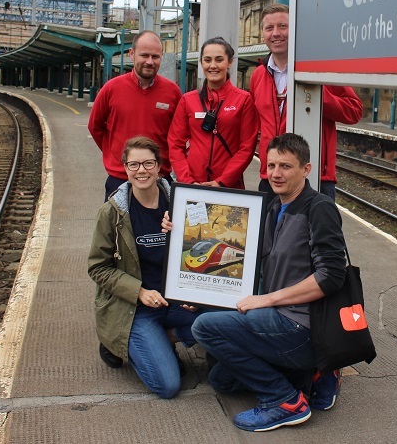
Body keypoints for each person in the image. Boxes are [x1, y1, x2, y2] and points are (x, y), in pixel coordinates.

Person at [191, 133, 347, 432]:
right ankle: (313, 373)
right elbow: (234, 248)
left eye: (286, 166)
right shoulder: (274, 207)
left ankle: (284, 400)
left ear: (306, 169)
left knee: (204, 328)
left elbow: (331, 277)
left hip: (303, 324)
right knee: (221, 380)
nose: (276, 173)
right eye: (271, 165)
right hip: (279, 320)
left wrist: (266, 300)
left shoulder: (319, 208)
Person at [87, 136, 198, 399]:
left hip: (175, 301)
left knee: (221, 323)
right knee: (168, 386)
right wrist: (139, 292)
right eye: (134, 164)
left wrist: (185, 232)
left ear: (160, 166)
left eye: (148, 163)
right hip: (138, 307)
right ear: (125, 168)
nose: (141, 171)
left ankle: (165, 337)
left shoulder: (184, 203)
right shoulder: (112, 213)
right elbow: (98, 268)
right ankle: (123, 345)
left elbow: (201, 248)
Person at [249, 3, 364, 201]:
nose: (276, 33)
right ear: (263, 34)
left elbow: (354, 111)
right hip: (271, 177)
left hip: (312, 177)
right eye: (269, 28)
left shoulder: (319, 70)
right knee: (268, 232)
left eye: (283, 26)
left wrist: (317, 96)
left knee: (313, 232)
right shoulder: (258, 75)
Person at [88, 30, 182, 200]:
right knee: (116, 226)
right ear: (131, 54)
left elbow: (179, 135)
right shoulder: (111, 89)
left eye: (155, 57)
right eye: (144, 55)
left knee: (160, 227)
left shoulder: (173, 92)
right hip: (120, 179)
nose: (150, 62)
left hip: (159, 180)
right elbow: (95, 126)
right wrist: (116, 155)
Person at [168, 37, 259, 189]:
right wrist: (187, 181)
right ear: (201, 62)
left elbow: (247, 147)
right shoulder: (187, 100)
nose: (213, 66)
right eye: (207, 60)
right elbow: (175, 144)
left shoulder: (244, 100)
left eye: (219, 60)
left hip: (229, 186)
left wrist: (223, 181)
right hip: (193, 184)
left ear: (229, 62)